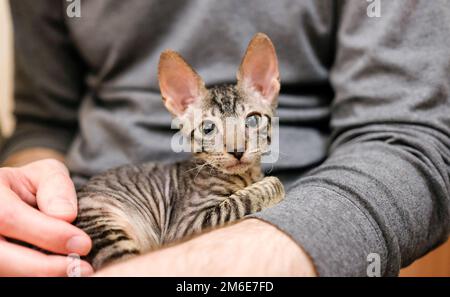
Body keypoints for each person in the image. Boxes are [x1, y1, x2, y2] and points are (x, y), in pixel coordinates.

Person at [0, 0, 449, 277]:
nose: (235, 148)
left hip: (305, 232)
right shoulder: (203, 184)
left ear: (269, 88)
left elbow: (406, 133)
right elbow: (44, 119)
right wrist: (31, 205)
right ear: (179, 105)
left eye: (251, 124)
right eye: (212, 129)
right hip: (83, 220)